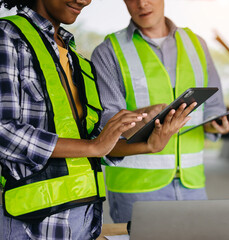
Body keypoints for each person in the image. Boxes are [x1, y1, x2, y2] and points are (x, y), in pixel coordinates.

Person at [0, 0, 192, 239]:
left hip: (84, 220)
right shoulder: (6, 37)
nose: (85, 0)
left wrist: (148, 144)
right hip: (32, 227)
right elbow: (4, 132)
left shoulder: (77, 60)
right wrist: (94, 145)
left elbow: (93, 143)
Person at [91, 0, 229, 223]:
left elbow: (213, 109)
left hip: (192, 184)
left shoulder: (197, 44)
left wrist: (217, 124)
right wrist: (144, 116)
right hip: (136, 188)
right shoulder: (109, 51)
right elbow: (108, 128)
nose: (141, 4)